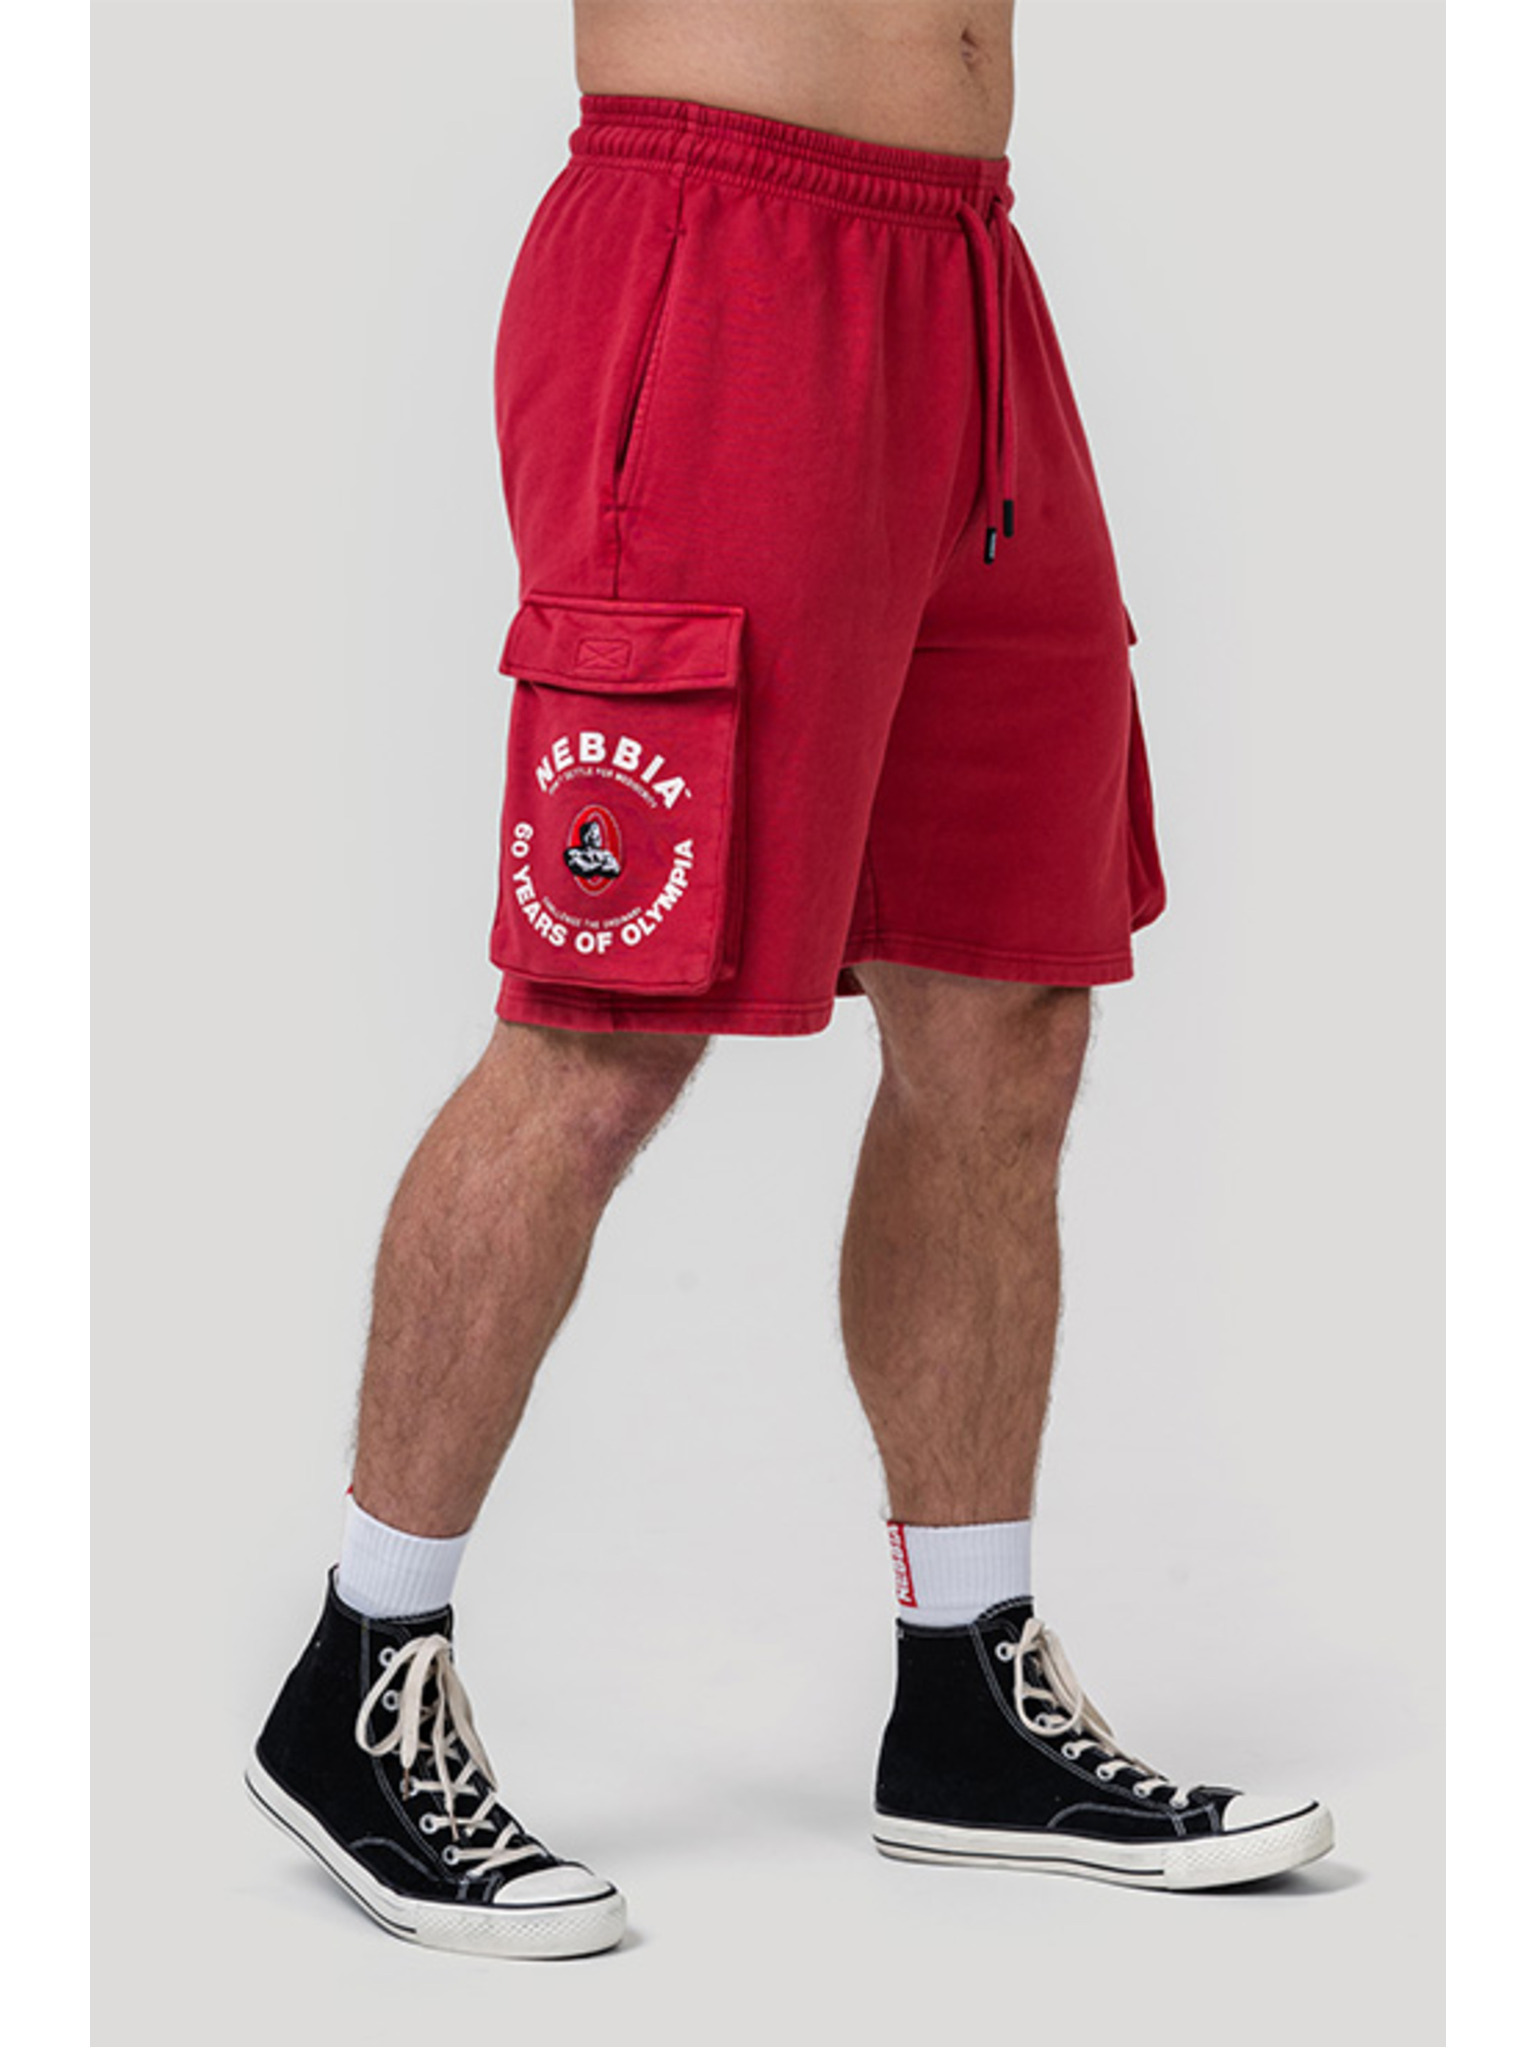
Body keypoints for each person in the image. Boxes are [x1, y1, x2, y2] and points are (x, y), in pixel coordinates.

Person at [246, 0, 1333, 1958]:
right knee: (604, 1028)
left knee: (1003, 1002)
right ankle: (361, 1671)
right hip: (721, 256)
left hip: (970, 282)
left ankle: (966, 1695)